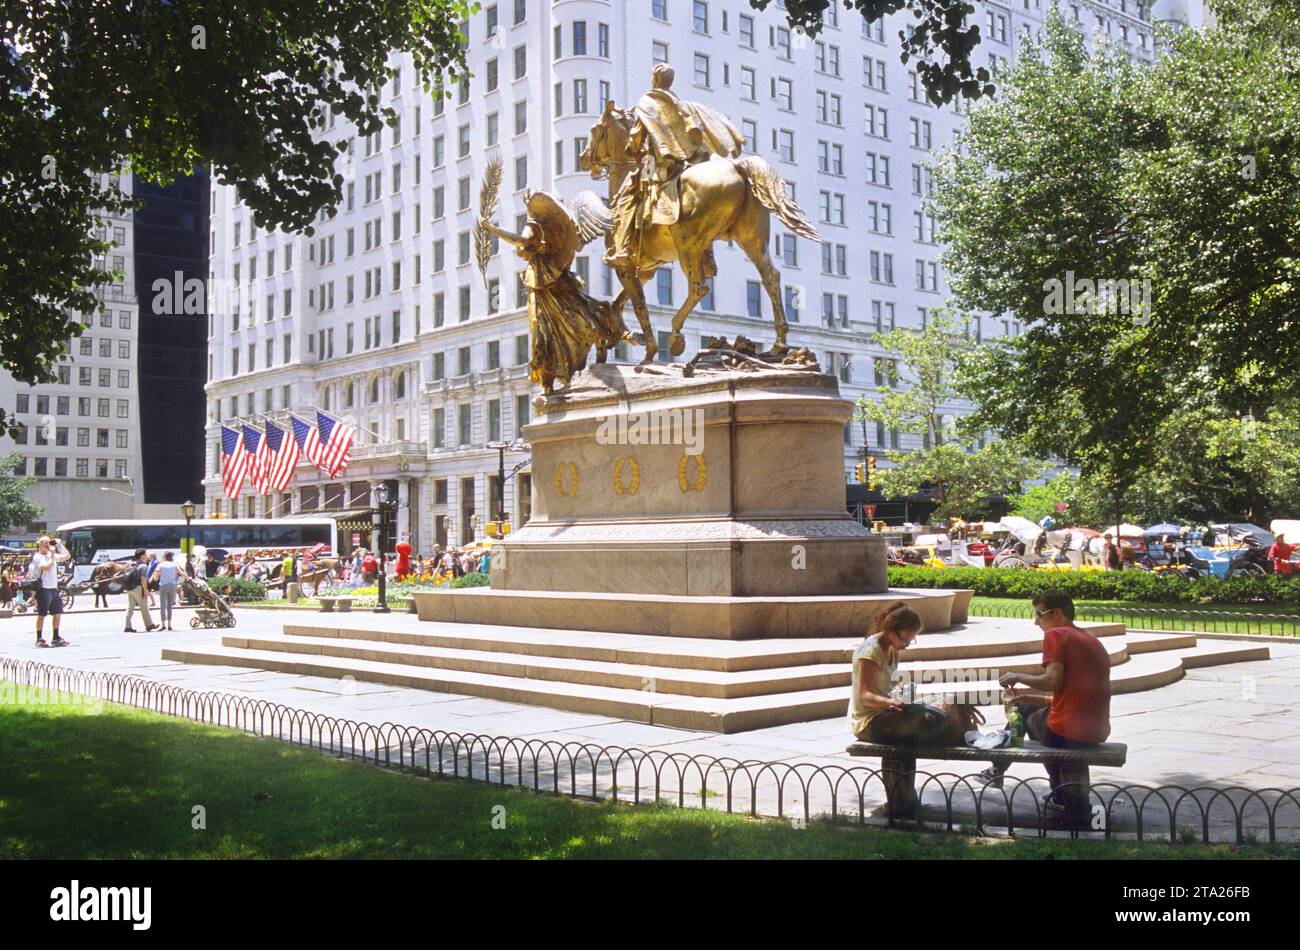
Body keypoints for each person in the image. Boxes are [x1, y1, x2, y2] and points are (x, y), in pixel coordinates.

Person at [978, 589, 1111, 803]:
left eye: (1039, 615)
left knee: (1022, 715)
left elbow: (1052, 681)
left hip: (1069, 732)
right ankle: (1054, 790)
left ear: (1056, 613)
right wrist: (1030, 697)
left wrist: (1017, 675)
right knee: (1028, 708)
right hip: (1097, 730)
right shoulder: (1089, 639)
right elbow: (1075, 696)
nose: (1036, 622)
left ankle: (996, 769)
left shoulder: (1056, 635)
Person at [848, 602, 980, 744]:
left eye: (911, 641)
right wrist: (892, 702)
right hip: (869, 721)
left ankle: (968, 739)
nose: (906, 645)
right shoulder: (871, 651)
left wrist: (902, 698)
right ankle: (961, 738)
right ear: (890, 630)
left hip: (888, 712)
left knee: (953, 701)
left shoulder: (893, 649)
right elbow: (864, 696)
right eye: (904, 640)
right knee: (926, 721)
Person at [29, 536, 71, 648]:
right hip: (43, 589)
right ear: (39, 544)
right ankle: (39, 638)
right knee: (42, 614)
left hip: (54, 588)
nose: (48, 545)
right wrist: (52, 554)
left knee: (57, 613)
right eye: (45, 543)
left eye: (49, 543)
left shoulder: (50, 554)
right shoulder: (37, 557)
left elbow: (67, 556)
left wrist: (59, 544)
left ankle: (56, 637)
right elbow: (46, 567)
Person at [122, 548, 157, 633]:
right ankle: (149, 625)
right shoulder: (143, 566)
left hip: (130, 588)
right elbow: (143, 579)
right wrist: (145, 590)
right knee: (144, 607)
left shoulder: (134, 565)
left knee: (130, 607)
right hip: (138, 588)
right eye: (145, 554)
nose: (147, 556)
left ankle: (128, 626)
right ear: (142, 556)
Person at [151, 551, 180, 632]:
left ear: (164, 557)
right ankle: (169, 625)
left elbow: (155, 578)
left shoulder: (160, 565)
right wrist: (188, 578)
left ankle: (163, 625)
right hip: (172, 585)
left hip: (163, 585)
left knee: (163, 605)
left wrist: (155, 577)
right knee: (170, 606)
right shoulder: (174, 564)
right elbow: (181, 573)